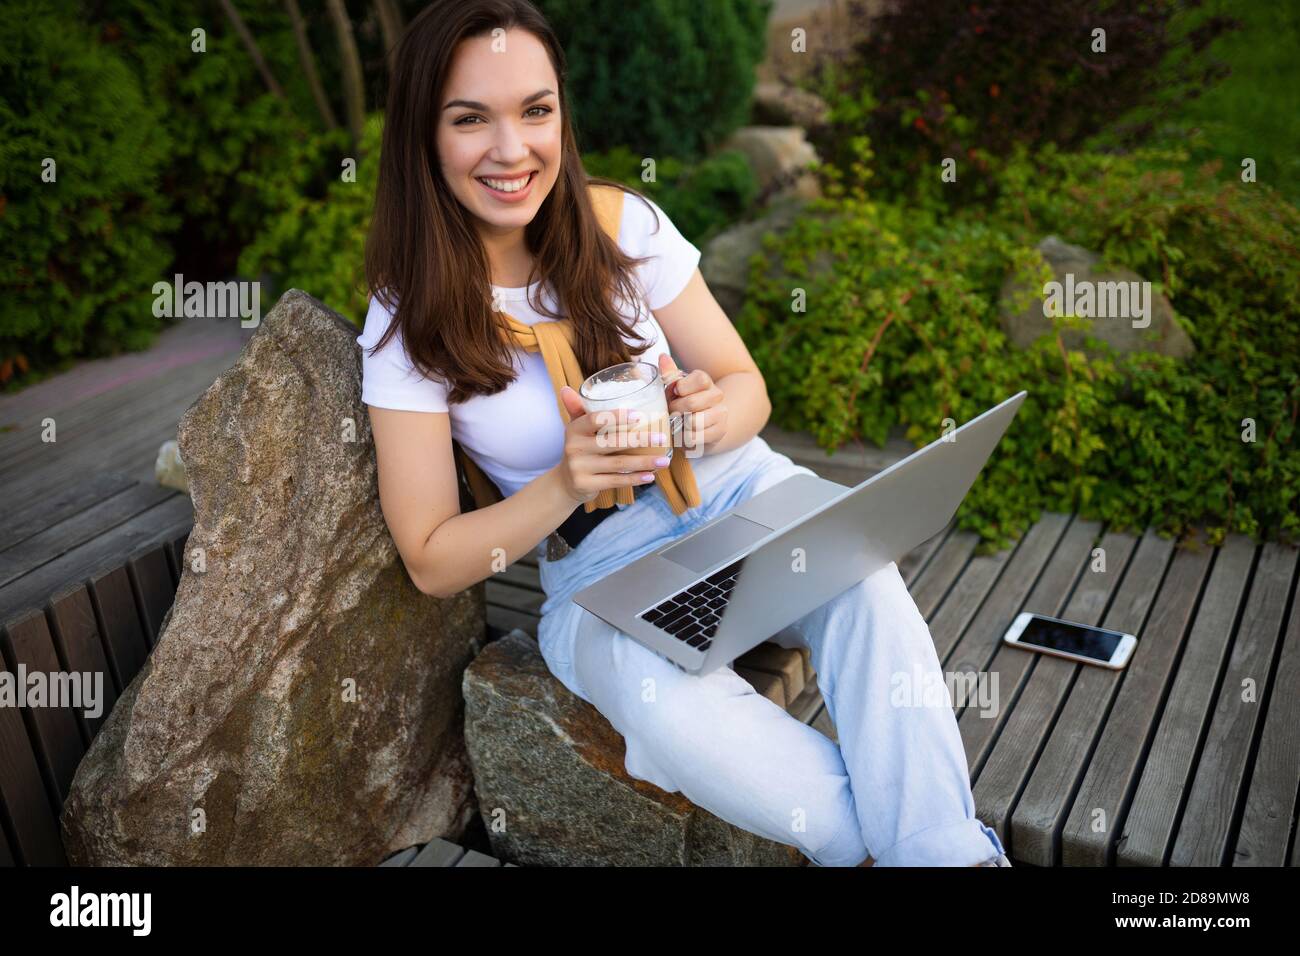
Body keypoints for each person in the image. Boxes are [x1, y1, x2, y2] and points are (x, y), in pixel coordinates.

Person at [358, 0, 1009, 867]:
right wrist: (566, 483)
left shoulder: (621, 226)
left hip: (738, 490)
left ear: (562, 115)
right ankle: (930, 850)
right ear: (422, 136)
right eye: (470, 118)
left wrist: (704, 416)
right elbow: (433, 558)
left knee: (868, 589)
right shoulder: (408, 324)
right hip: (597, 570)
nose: (512, 150)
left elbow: (748, 388)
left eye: (536, 110)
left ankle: (934, 852)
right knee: (664, 706)